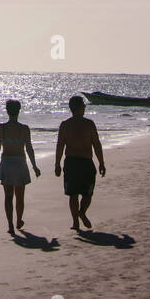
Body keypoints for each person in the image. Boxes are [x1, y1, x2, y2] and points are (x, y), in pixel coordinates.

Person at [55, 95, 105, 231]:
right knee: (85, 194)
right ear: (79, 108)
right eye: (83, 105)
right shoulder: (88, 124)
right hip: (84, 162)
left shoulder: (66, 125)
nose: (85, 108)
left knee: (75, 194)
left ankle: (78, 218)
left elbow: (60, 146)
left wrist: (57, 164)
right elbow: (96, 145)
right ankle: (79, 216)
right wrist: (101, 163)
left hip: (73, 163)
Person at [0, 99, 40, 234]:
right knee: (20, 196)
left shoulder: (1, 127)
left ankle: (10, 224)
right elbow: (29, 149)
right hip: (20, 163)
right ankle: (19, 220)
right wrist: (34, 166)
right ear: (18, 111)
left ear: (7, 111)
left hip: (7, 162)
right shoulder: (24, 129)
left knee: (8, 196)